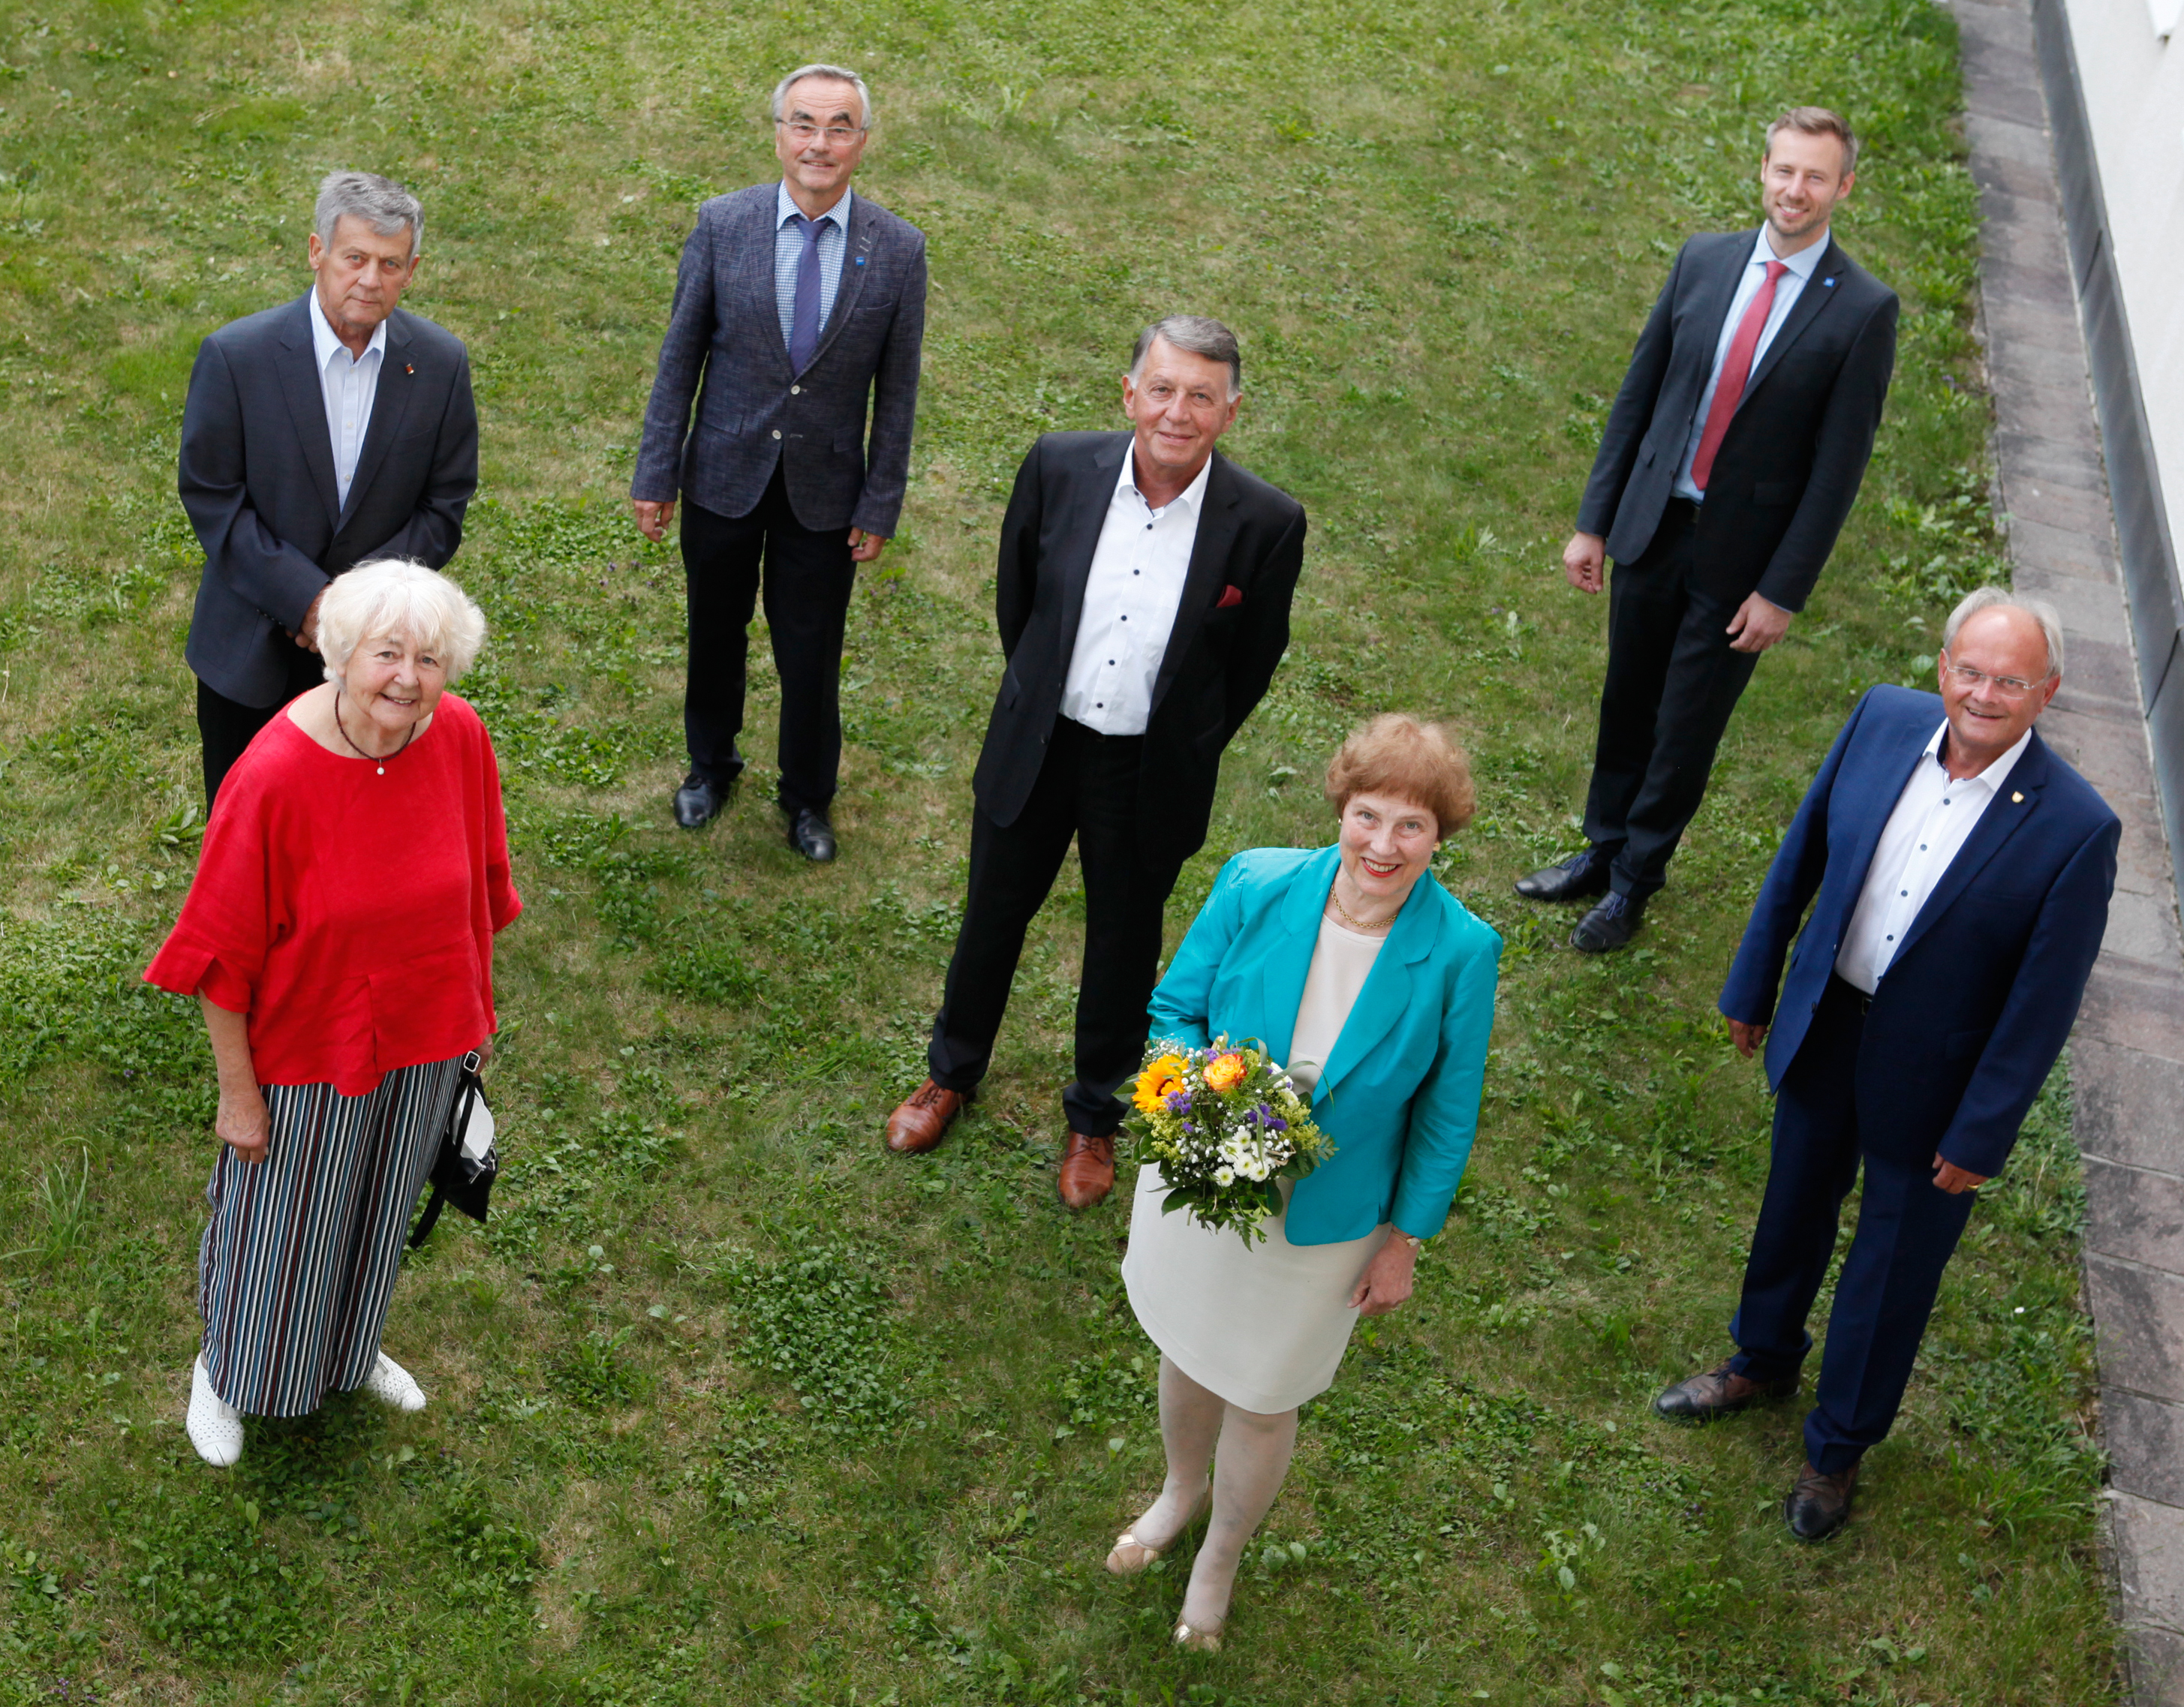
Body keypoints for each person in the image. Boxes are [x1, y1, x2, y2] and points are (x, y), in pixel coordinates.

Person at [1656, 591, 2116, 1539]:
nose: (1984, 694)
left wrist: (1982, 1131)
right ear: (1944, 666)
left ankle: (1838, 1448)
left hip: (1938, 1082)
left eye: (2011, 681)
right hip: (1829, 1023)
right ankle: (1761, 1358)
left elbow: (2042, 1004)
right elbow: (1802, 861)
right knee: (1791, 1207)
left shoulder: (2077, 827)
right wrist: (1753, 983)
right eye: (1971, 671)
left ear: (2048, 693)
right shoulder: (1880, 718)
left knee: (1890, 1268)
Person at [881, 316, 1307, 1208]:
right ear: (1129, 393)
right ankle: (950, 1075)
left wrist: (1184, 741)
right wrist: (1041, 694)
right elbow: (1020, 600)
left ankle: (1094, 1117)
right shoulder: (1060, 466)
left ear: (1232, 411)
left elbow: (1250, 663)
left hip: (1149, 770)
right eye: (1162, 389)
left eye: (1200, 396)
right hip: (1039, 744)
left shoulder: (1266, 523)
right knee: (992, 915)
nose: (1177, 412)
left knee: (1123, 944)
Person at [1106, 714, 1500, 1649]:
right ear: (1340, 808)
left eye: (1413, 826)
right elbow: (1176, 1006)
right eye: (1369, 815)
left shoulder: (1461, 951)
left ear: (1440, 838)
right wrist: (1194, 1097)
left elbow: (1449, 1112)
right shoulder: (1256, 880)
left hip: (1326, 1220)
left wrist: (1405, 1239)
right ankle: (1177, 1493)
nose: (1384, 845)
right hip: (1208, 1172)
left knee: (1264, 1389)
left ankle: (1222, 1554)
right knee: (1192, 1349)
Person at [144, 560, 520, 1467]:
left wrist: (470, 1025)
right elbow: (219, 963)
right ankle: (224, 1371)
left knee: (378, 1208)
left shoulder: (458, 735)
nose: (408, 678)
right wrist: (240, 1099)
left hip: (423, 1038)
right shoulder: (272, 776)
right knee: (276, 1230)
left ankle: (349, 1354)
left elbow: (482, 888)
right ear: (341, 655)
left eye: (430, 658)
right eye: (387, 653)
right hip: (305, 1050)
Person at [1519, 107, 1898, 954]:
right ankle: (1601, 846)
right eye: (1783, 170)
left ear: (1843, 187)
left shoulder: (1863, 310)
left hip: (1743, 563)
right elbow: (1639, 396)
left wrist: (1783, 592)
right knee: (1628, 700)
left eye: (1814, 176)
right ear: (1762, 171)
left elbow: (1838, 475)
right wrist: (1594, 523)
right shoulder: (1704, 260)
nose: (1794, 189)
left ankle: (1634, 883)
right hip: (1654, 526)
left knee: (1685, 724)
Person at [630, 62, 927, 862]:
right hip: (723, 475)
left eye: (838, 127)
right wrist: (657, 472)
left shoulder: (899, 250)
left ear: (862, 143)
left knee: (810, 653)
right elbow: (679, 357)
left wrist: (880, 501)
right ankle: (710, 766)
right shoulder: (723, 225)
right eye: (804, 123)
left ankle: (807, 797)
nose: (819, 143)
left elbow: (896, 393)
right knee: (714, 633)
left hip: (825, 495)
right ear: (778, 134)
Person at [179, 171, 478, 806]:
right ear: (318, 252)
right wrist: (308, 603)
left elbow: (444, 505)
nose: (370, 279)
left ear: (412, 268)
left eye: (390, 263)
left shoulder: (442, 365)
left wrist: (352, 610)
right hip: (249, 654)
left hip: (378, 664)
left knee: (360, 837)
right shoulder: (237, 357)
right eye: (355, 258)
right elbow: (213, 496)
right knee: (245, 831)